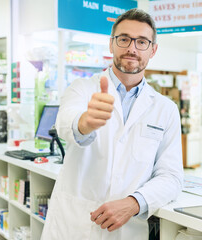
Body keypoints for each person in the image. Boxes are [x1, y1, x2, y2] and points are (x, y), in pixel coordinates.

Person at [41, 8, 183, 240]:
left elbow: (171, 176)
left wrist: (135, 202)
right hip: (75, 224)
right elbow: (67, 124)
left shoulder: (165, 109)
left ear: (153, 49)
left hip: (126, 229)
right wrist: (85, 122)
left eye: (142, 41)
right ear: (111, 44)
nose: (132, 48)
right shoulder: (82, 88)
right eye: (124, 39)